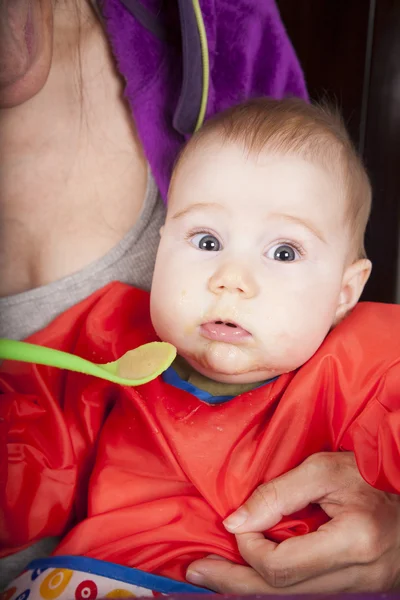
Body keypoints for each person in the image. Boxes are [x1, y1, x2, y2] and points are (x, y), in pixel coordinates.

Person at [0, 0, 399, 593]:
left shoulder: (364, 363)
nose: (230, 279)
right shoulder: (109, 335)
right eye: (207, 239)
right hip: (89, 580)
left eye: (284, 252)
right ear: (162, 246)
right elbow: (31, 452)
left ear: (345, 291)